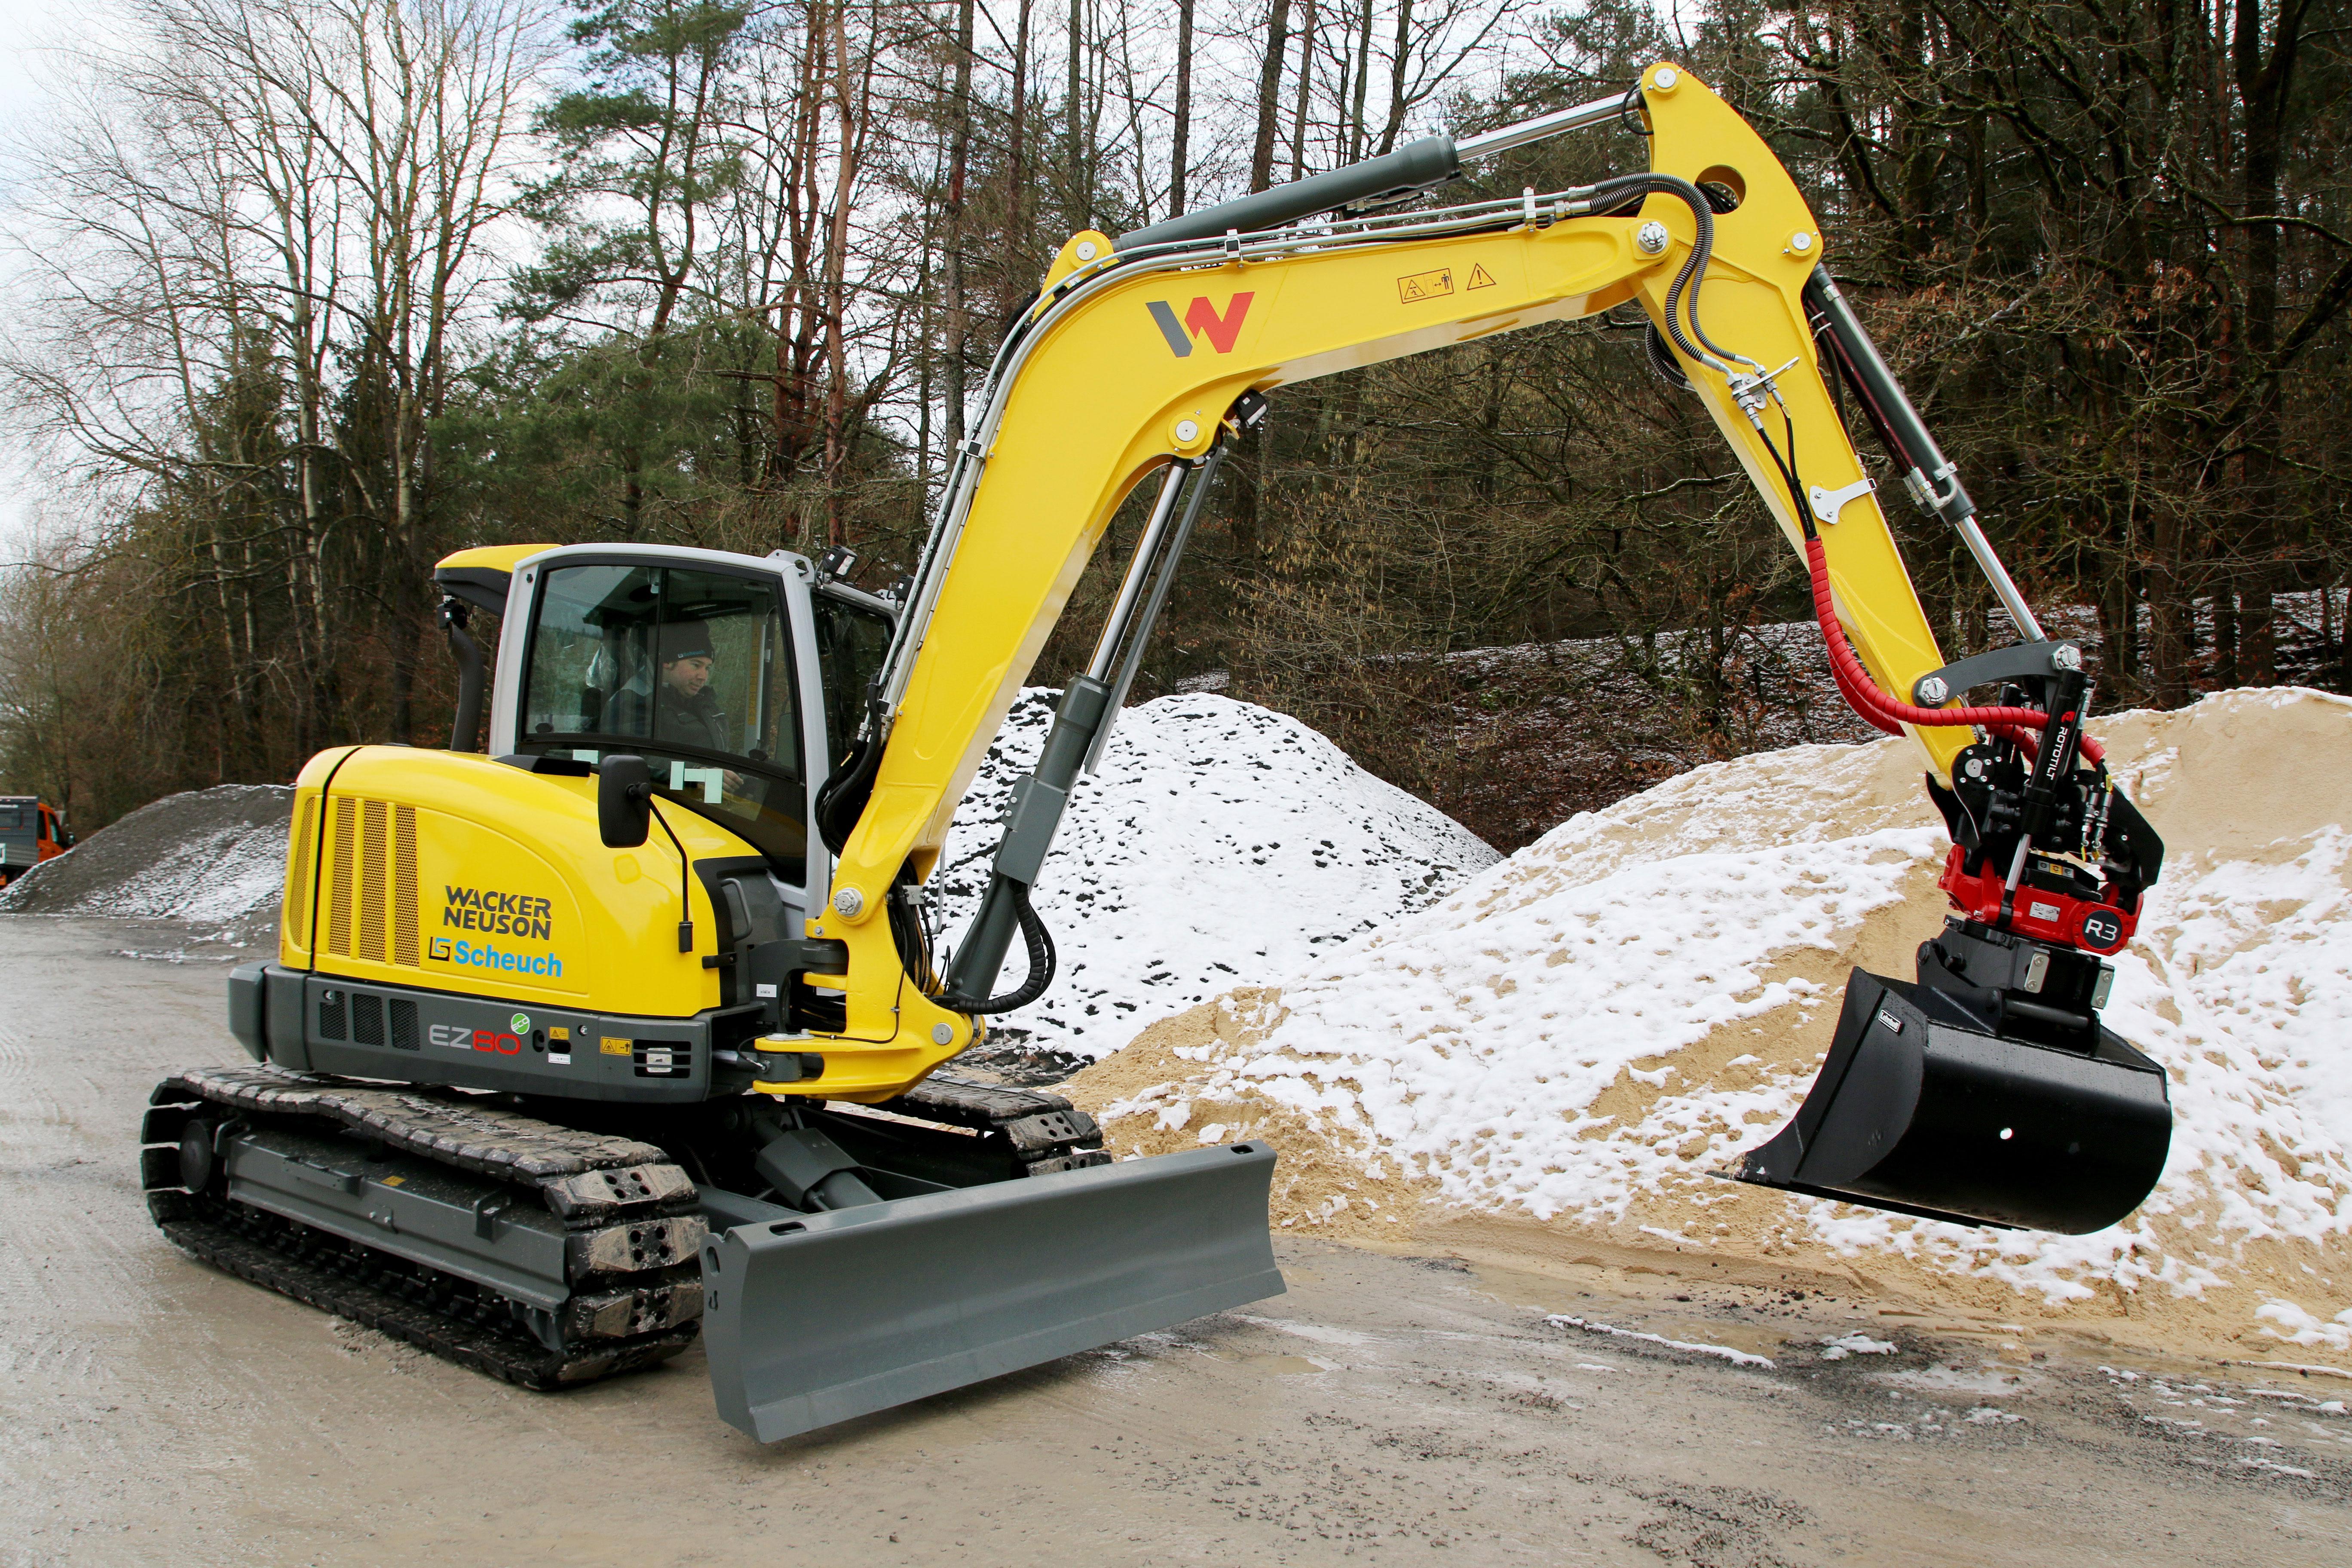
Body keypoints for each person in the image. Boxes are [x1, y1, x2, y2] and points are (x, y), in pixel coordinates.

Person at [602, 620, 731, 752]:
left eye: (708, 668)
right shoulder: (632, 702)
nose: (703, 676)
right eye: (696, 665)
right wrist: (696, 770)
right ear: (668, 662)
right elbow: (637, 760)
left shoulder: (705, 704)